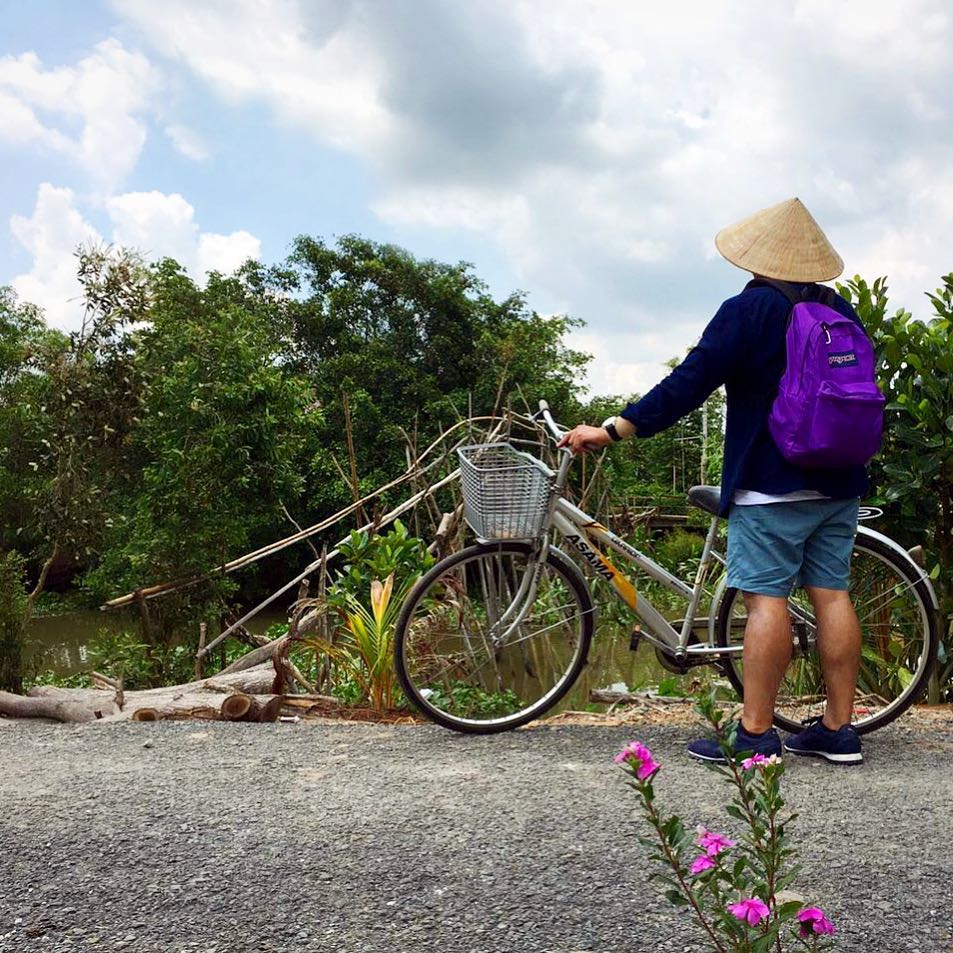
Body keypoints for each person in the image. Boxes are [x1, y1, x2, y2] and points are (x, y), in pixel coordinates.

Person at [558, 197, 865, 765]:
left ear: (755, 257)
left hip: (770, 482)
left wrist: (614, 428)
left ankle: (754, 734)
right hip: (839, 479)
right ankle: (840, 730)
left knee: (765, 600)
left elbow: (690, 381)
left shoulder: (747, 312)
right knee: (832, 595)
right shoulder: (838, 308)